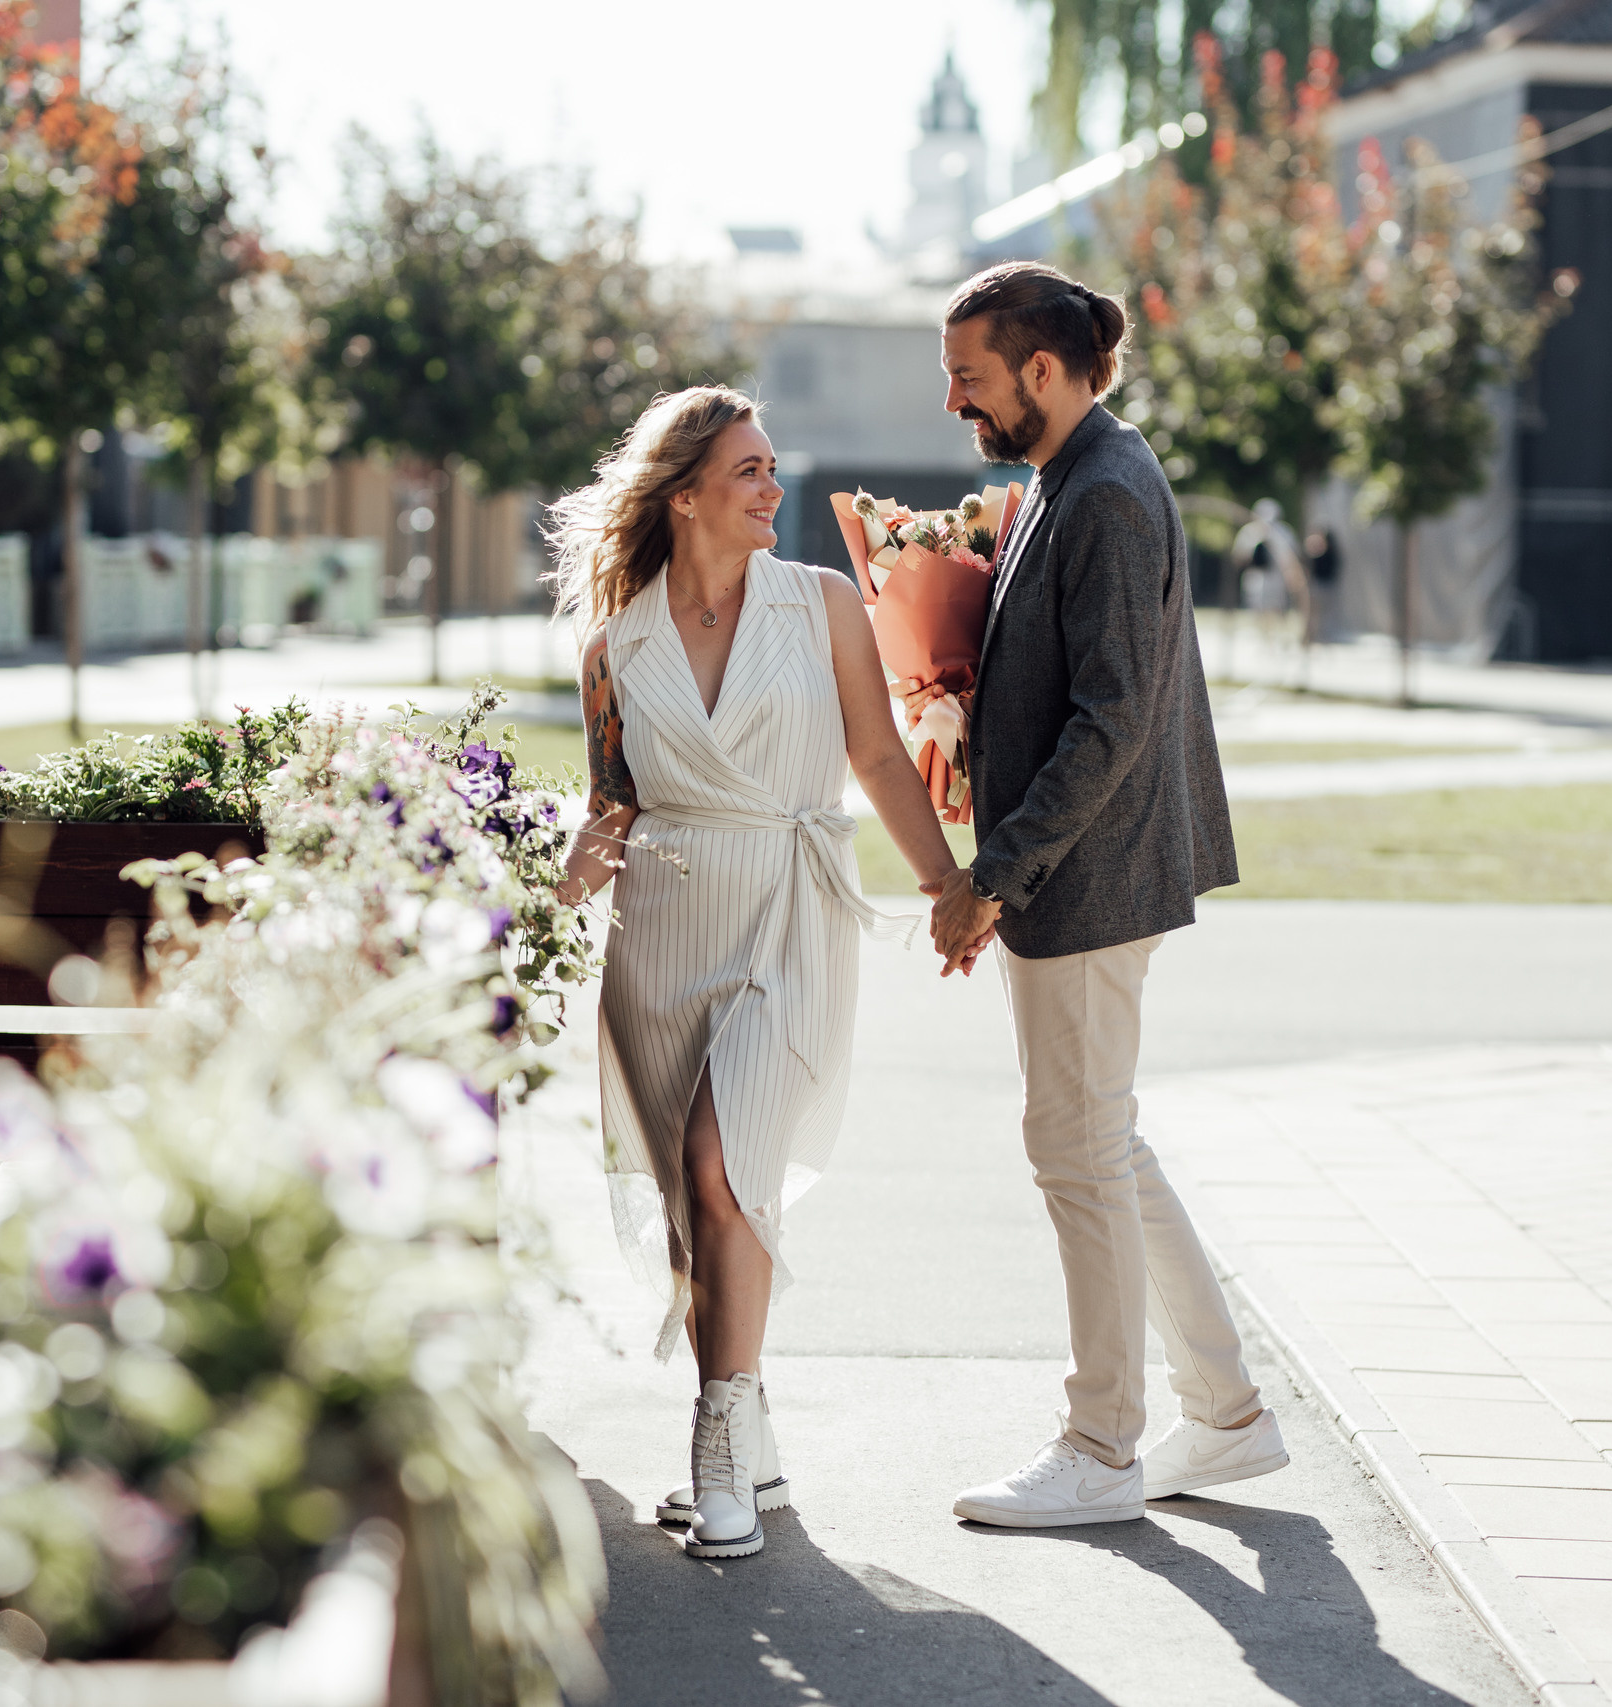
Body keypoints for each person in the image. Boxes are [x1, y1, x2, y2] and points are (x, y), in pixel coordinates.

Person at [550, 385, 964, 1560]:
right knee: (700, 1210)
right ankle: (752, 1424)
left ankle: (716, 1438)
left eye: (771, 466)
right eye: (748, 471)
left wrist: (946, 888)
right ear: (682, 495)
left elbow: (879, 757)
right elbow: (610, 810)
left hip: (790, 909)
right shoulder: (611, 648)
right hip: (664, 931)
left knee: (720, 1167)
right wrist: (554, 891)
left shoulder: (824, 602)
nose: (773, 488)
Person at [919, 262, 1291, 1528]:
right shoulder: (1063, 481)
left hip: (1085, 874)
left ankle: (1100, 1445)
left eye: (970, 379)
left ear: (1039, 368)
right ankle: (1228, 1417)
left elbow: (1113, 720)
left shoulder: (1111, 493)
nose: (958, 405)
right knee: (1104, 1142)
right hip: (1082, 870)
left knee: (1073, 1151)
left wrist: (995, 875)